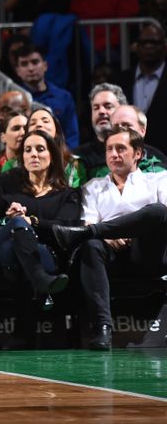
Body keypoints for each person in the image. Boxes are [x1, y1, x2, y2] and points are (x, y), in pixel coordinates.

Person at [51, 126, 167, 350]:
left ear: (138, 153)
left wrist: (114, 230)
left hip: (148, 253)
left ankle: (94, 234)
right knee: (91, 244)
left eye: (121, 148)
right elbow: (89, 219)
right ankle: (102, 329)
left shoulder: (158, 180)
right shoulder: (93, 187)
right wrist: (105, 236)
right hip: (110, 255)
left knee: (158, 211)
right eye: (110, 149)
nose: (114, 154)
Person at [0, 130, 82, 298]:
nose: (33, 155)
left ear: (52, 155)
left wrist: (32, 221)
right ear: (22, 157)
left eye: (40, 149)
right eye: (28, 150)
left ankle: (29, 292)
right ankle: (40, 278)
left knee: (11, 247)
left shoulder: (68, 194)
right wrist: (7, 220)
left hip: (44, 251)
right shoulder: (7, 186)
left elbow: (65, 227)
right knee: (16, 224)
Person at [113, 24, 167, 154]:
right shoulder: (121, 80)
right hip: (126, 155)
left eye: (154, 42)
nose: (149, 46)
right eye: (144, 43)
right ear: (135, 47)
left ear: (164, 47)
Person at [14, 44, 79, 148]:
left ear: (45, 65)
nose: (30, 68)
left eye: (35, 62)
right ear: (18, 71)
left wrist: (68, 159)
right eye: (24, 64)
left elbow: (72, 135)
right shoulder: (14, 100)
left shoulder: (64, 97)